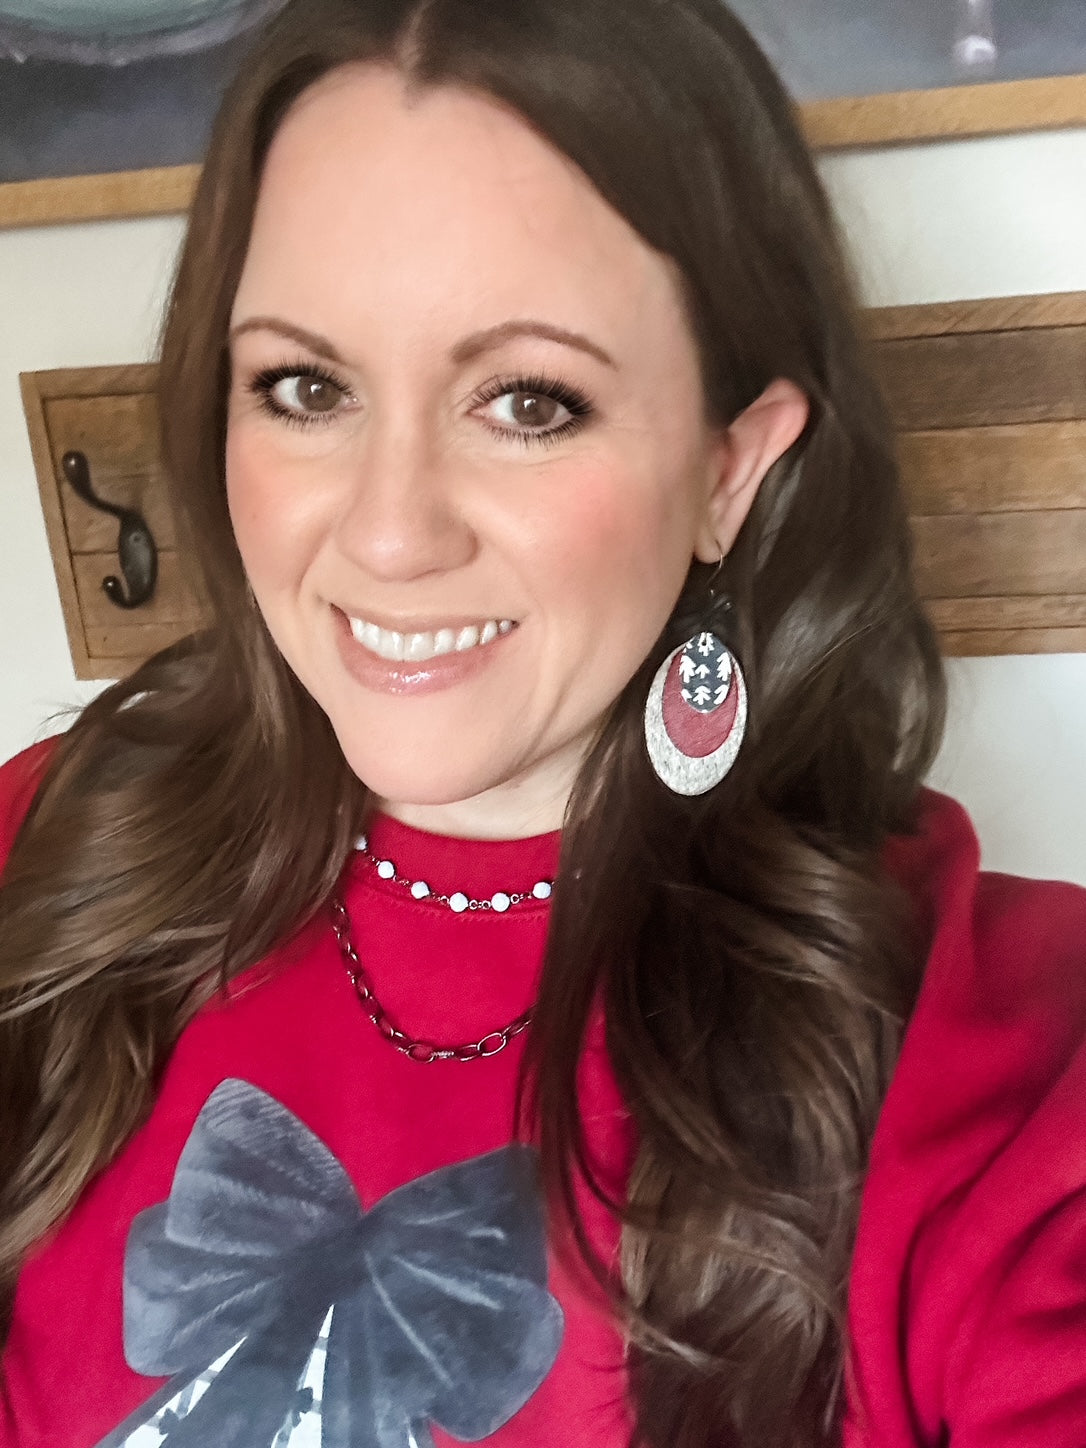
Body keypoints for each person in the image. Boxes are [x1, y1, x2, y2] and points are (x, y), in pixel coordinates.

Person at [1, 0, 1084, 1444]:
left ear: (728, 469)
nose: (388, 535)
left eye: (528, 401)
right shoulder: (48, 864)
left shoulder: (990, 1044)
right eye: (304, 387)